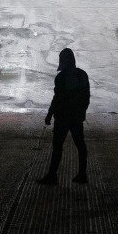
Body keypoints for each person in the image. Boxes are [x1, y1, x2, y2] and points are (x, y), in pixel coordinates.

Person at [37, 47, 90, 185]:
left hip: (63, 118)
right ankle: (82, 174)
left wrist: (49, 115)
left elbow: (57, 99)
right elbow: (86, 97)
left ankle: (52, 176)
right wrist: (81, 112)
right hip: (76, 117)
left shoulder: (61, 78)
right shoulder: (82, 75)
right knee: (80, 145)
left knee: (57, 147)